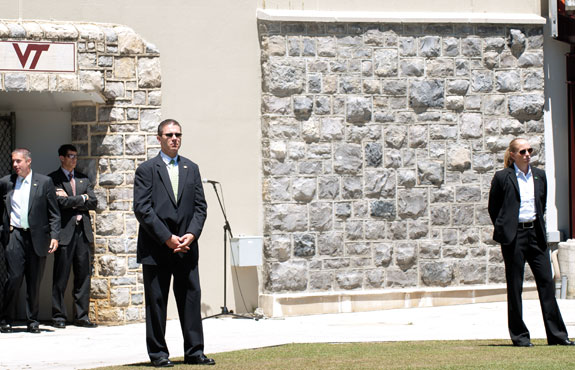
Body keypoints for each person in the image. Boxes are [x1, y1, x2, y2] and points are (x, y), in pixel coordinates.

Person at [133, 119, 214, 367]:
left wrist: (192, 233)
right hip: (157, 248)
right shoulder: (146, 170)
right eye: (169, 134)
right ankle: (158, 355)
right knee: (156, 303)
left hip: (186, 248)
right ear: (159, 138)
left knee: (191, 300)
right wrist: (167, 238)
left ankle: (194, 352)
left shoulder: (192, 168)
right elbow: (143, 209)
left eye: (178, 134)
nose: (174, 138)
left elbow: (200, 207)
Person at [488, 138, 574, 347]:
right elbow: (494, 207)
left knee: (546, 283)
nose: (527, 154)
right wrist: (505, 229)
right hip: (514, 236)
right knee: (515, 286)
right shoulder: (502, 177)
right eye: (522, 151)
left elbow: (540, 204)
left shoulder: (539, 175)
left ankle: (557, 335)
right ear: (513, 154)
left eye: (530, 150)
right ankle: (520, 336)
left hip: (535, 235)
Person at [0, 148, 60, 334]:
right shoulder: (6, 182)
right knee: (14, 278)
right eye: (13, 161)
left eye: (19, 161)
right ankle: (5, 318)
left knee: (34, 280)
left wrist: (55, 236)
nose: (15, 165)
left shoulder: (44, 182)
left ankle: (32, 320)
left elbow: (54, 213)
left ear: (28, 161)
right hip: (14, 235)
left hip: (37, 237)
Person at [49, 144, 98, 329]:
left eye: (75, 156)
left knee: (83, 275)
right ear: (61, 158)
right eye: (70, 156)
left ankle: (81, 316)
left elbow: (93, 202)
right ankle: (58, 316)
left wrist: (78, 200)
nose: (74, 159)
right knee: (61, 275)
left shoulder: (83, 178)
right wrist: (81, 199)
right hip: (64, 233)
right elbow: (58, 203)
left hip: (82, 233)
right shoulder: (52, 179)